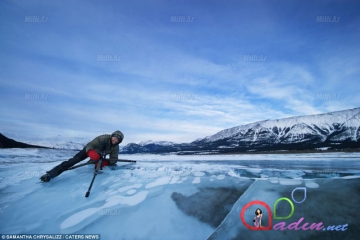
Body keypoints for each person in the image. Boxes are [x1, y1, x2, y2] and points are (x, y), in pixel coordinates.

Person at [40, 130, 124, 182]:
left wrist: (106, 162)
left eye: (117, 139)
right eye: (115, 137)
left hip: (99, 156)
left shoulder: (115, 147)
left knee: (101, 165)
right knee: (72, 161)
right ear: (112, 136)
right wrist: (91, 152)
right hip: (88, 151)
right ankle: (50, 175)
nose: (115, 140)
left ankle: (94, 164)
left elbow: (114, 159)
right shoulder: (102, 138)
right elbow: (91, 145)